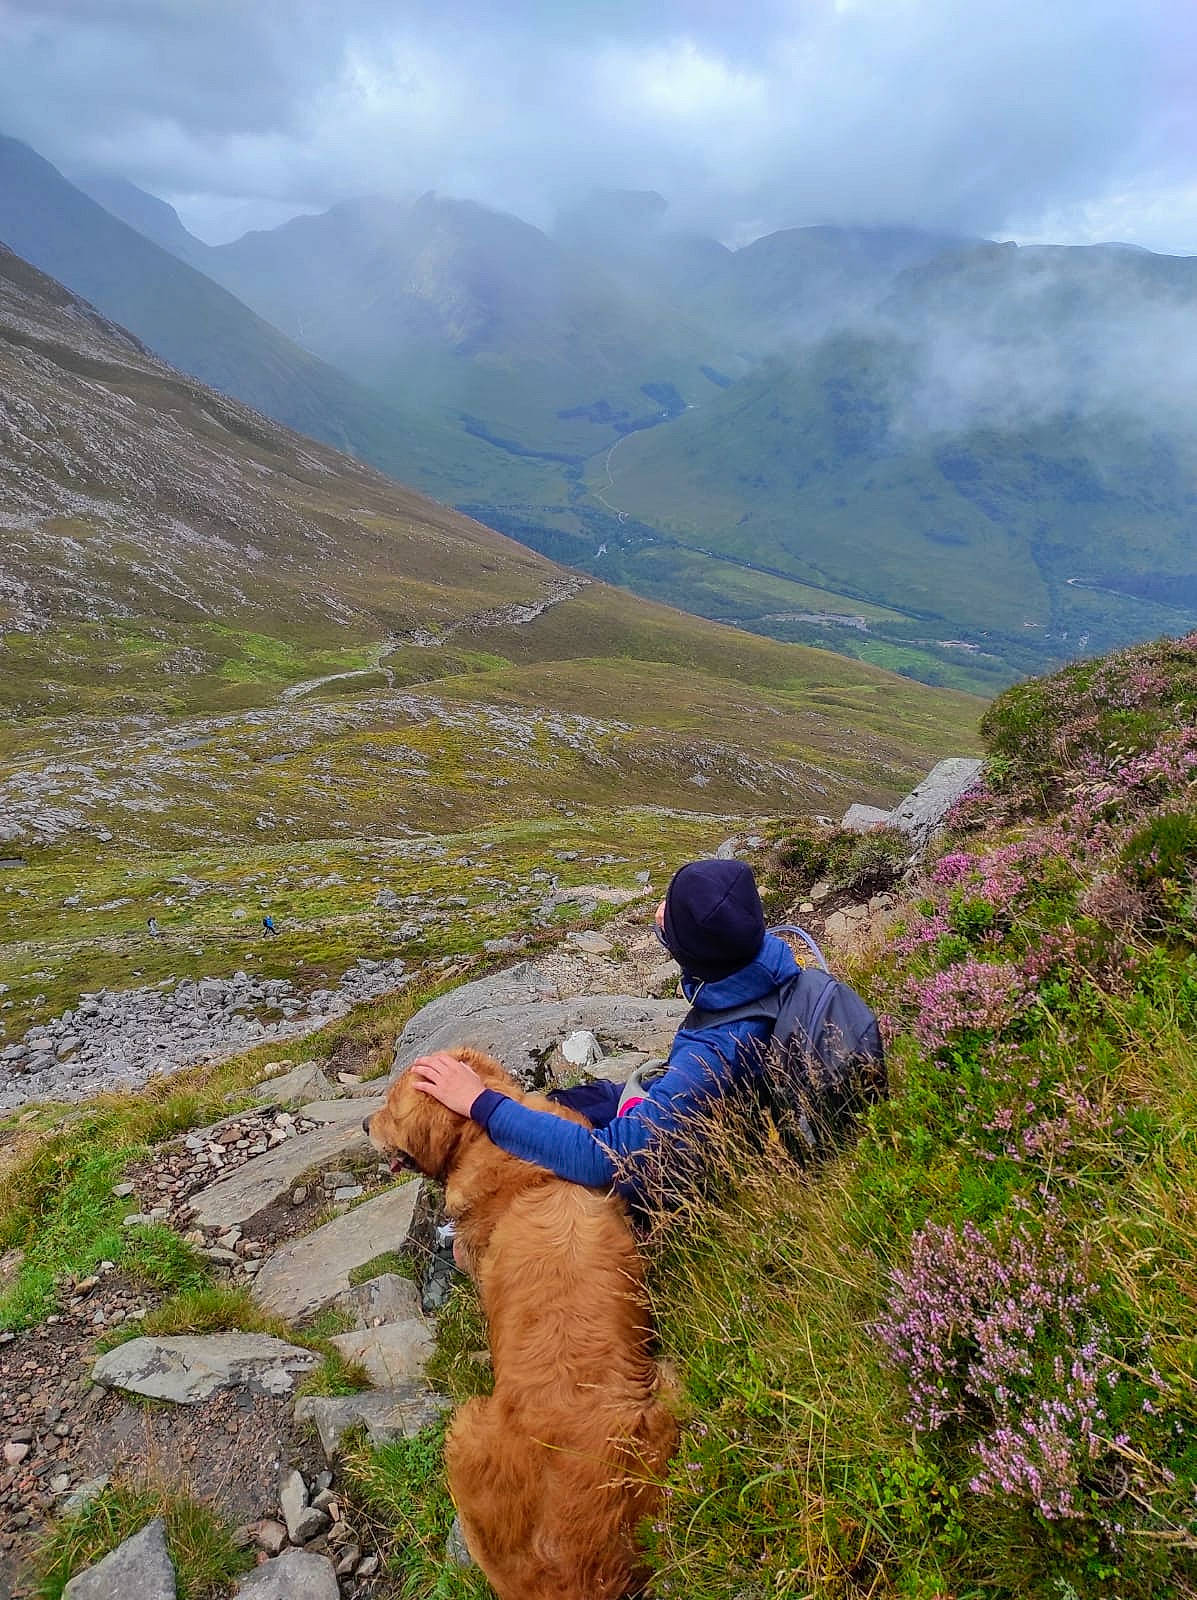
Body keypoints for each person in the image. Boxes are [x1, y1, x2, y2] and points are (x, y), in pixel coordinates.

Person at [410, 858, 801, 1208]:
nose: (659, 909)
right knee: (562, 1101)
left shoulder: (714, 1054)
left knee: (482, 1225)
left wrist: (479, 1102)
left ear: (692, 953)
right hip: (678, 1112)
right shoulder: (757, 967)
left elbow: (604, 1161)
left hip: (660, 1168)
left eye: (674, 912)